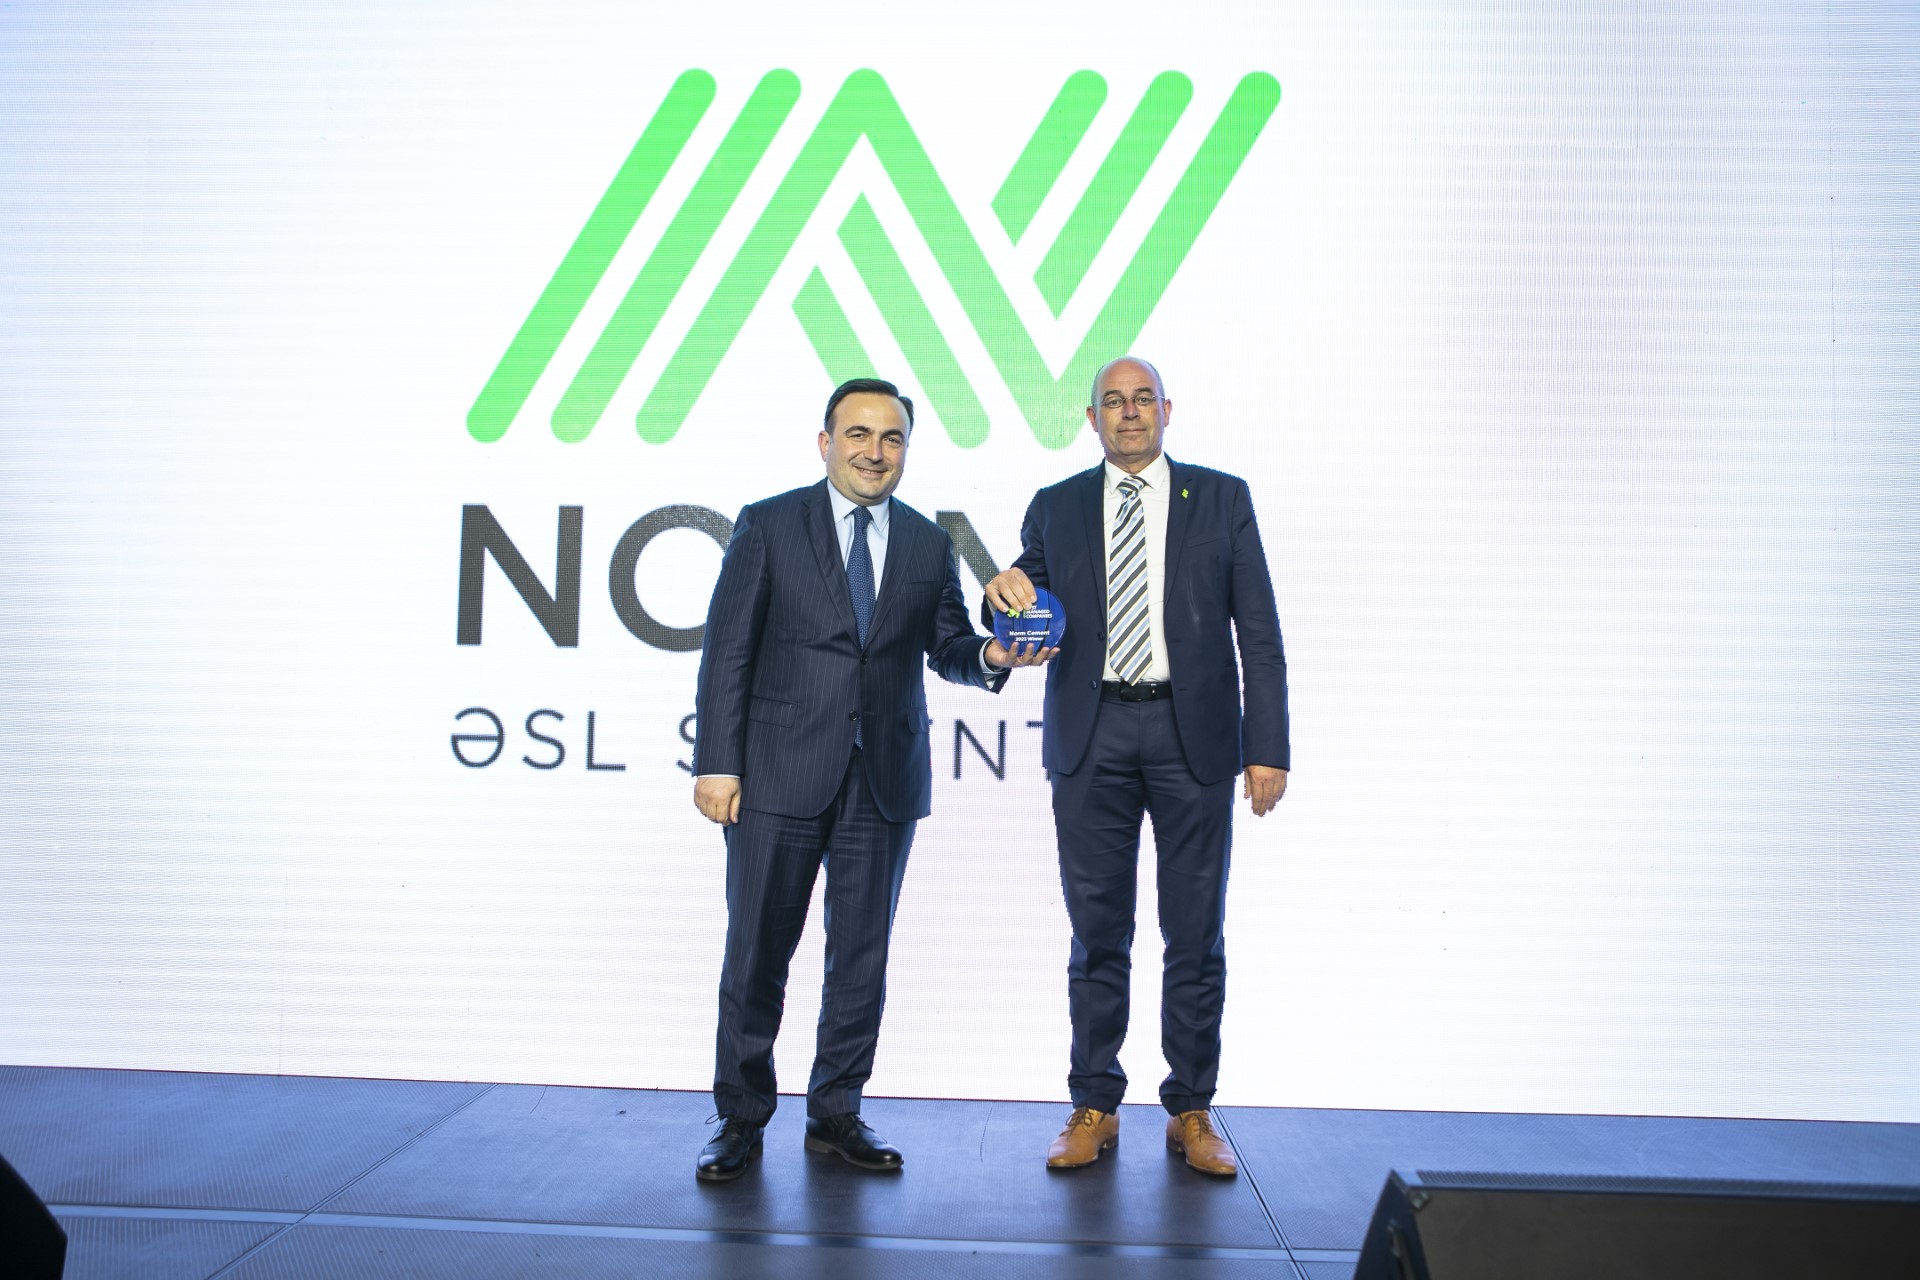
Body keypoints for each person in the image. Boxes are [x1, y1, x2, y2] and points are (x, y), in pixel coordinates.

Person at [692, 377, 1054, 1182]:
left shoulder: (927, 543)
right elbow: (728, 652)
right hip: (778, 774)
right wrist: (717, 761)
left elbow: (949, 648)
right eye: (858, 434)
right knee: (756, 952)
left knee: (861, 956)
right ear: (826, 443)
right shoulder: (768, 524)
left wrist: (994, 655)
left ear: (905, 451)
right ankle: (740, 1116)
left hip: (883, 778)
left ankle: (837, 1111)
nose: (874, 451)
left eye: (891, 438)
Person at [983, 356, 1288, 1177]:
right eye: (1113, 402)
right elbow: (1020, 599)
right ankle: (1094, 1104)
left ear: (1167, 411)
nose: (1129, 413)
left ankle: (1191, 1109)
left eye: (1142, 399)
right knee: (1097, 934)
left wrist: (1266, 745)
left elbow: (1258, 630)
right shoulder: (1057, 506)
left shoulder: (1221, 499)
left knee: (1195, 932)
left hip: (1196, 738)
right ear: (1092, 420)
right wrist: (999, 593)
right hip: (1094, 735)